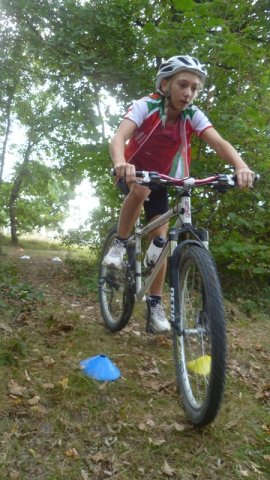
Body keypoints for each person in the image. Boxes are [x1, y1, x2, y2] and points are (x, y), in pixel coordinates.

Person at [103, 55, 254, 333]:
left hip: (164, 178)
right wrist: (120, 164)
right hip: (133, 170)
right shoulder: (144, 105)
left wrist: (241, 167)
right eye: (183, 84)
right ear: (165, 84)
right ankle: (120, 244)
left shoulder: (192, 115)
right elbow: (118, 137)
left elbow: (219, 143)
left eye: (195, 88)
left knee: (162, 241)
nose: (189, 93)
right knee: (141, 187)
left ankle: (155, 304)